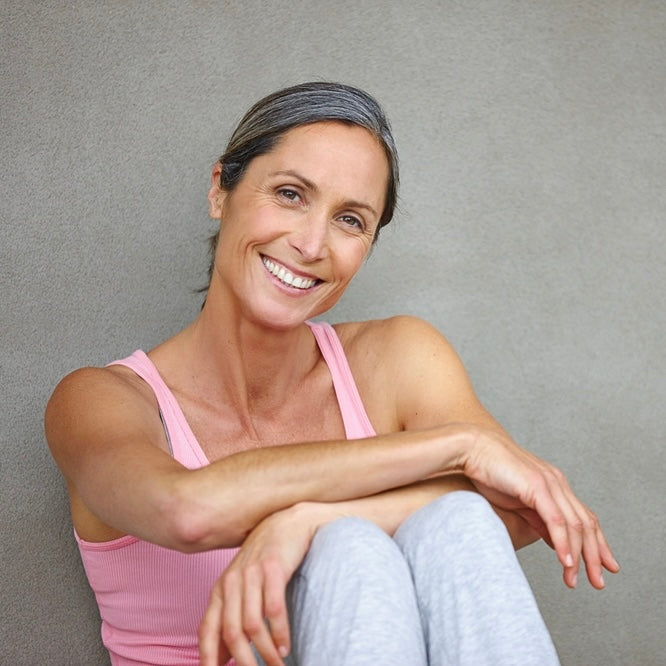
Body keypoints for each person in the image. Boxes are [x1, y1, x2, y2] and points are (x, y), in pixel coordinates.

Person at [45, 82, 619, 666]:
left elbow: (520, 510)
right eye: (290, 194)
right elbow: (186, 511)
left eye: (350, 220)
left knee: (442, 521)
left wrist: (307, 522)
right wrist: (462, 446)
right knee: (350, 550)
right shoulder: (99, 399)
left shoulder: (397, 356)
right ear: (220, 189)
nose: (312, 243)